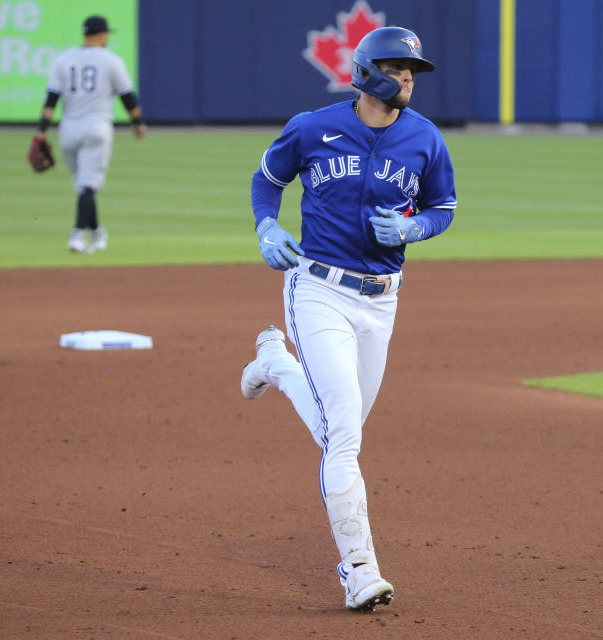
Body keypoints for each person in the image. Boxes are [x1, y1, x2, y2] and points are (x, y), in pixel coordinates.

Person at [239, 26, 457, 611]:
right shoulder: (313, 127)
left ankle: (278, 366)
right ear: (365, 72)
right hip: (318, 291)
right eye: (396, 66)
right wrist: (267, 225)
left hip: (382, 301)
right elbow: (268, 179)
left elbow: (443, 207)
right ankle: (358, 568)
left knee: (343, 429)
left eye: (412, 69)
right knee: (344, 434)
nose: (408, 76)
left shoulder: (425, 138)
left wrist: (415, 228)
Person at [35, 14, 147, 254]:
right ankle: (77, 235)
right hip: (97, 128)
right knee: (87, 186)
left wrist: (41, 132)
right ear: (103, 34)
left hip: (68, 130)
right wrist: (137, 123)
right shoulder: (111, 60)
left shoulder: (63, 59)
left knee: (84, 185)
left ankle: (97, 234)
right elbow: (128, 98)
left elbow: (51, 100)